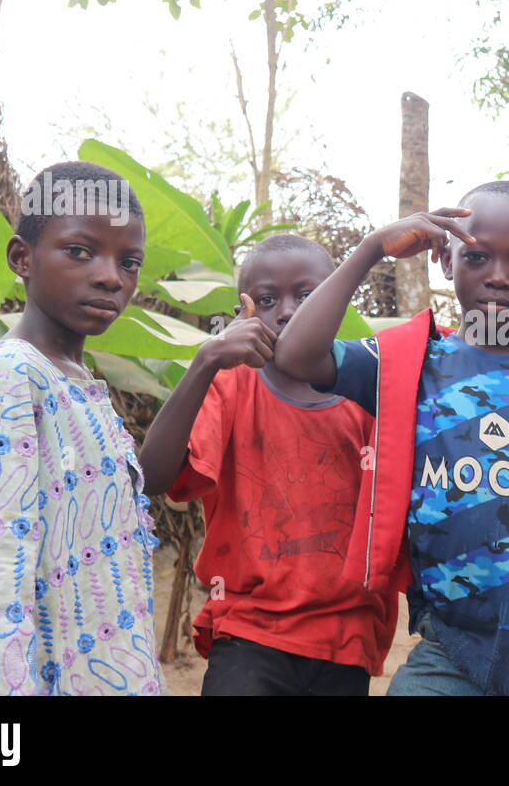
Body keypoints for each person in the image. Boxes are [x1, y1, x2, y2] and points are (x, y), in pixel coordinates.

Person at [273, 181, 509, 696]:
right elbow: (295, 357)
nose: (498, 277)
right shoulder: (406, 362)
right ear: (445, 259)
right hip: (446, 648)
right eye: (478, 257)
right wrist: (370, 249)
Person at [0, 161, 166, 696]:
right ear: (22, 257)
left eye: (128, 261)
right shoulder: (12, 377)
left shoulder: (77, 381)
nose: (112, 276)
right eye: (81, 251)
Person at [139, 235, 397, 696]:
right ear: (245, 308)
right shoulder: (230, 387)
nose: (287, 310)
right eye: (266, 299)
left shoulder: (369, 391)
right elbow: (152, 478)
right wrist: (205, 362)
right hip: (249, 629)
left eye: (308, 295)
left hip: (345, 637)